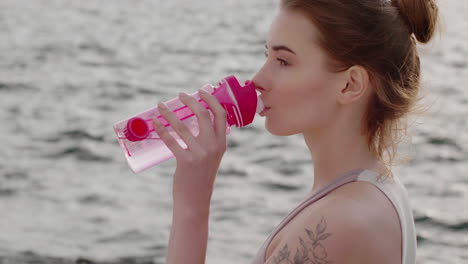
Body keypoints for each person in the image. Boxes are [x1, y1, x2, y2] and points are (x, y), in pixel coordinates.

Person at [152, 0, 439, 263]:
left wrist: (192, 203)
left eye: (284, 61)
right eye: (268, 55)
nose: (258, 80)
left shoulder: (340, 223)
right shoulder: (373, 188)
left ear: (350, 85)